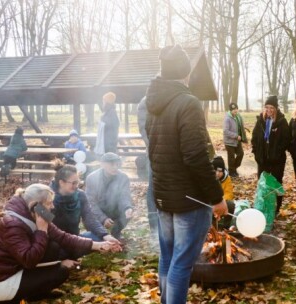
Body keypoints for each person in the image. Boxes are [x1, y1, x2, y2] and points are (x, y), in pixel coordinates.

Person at [145, 44, 227, 304]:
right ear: (184, 73)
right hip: (189, 200)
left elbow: (155, 150)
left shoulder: (152, 104)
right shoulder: (187, 102)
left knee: (168, 257)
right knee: (181, 264)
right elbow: (194, 156)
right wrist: (216, 197)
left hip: (163, 196)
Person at [0, 184, 119, 304]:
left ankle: (35, 294)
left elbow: (63, 237)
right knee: (60, 271)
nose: (52, 206)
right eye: (49, 203)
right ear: (36, 205)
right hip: (0, 281)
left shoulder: (38, 213)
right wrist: (41, 231)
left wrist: (97, 245)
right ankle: (14, 297)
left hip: (16, 267)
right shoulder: (13, 224)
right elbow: (29, 260)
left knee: (53, 247)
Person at [50, 160, 120, 247]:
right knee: (54, 246)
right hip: (55, 239)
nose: (76, 186)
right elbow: (47, 229)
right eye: (73, 183)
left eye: (78, 182)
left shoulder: (80, 195)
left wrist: (105, 235)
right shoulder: (47, 197)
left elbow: (89, 218)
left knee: (99, 237)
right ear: (61, 182)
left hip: (75, 238)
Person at [251, 95, 290, 214]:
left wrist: (277, 153)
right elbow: (254, 138)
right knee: (262, 183)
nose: (269, 110)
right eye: (266, 107)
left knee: (276, 183)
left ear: (276, 108)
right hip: (262, 160)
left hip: (277, 160)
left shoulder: (281, 122)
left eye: (271, 107)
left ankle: (276, 209)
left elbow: (286, 140)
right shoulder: (260, 121)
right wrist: (256, 153)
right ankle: (262, 207)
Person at [85, 152, 133, 240]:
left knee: (127, 211)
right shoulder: (92, 178)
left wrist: (127, 208)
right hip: (98, 211)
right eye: (111, 164)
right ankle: (98, 232)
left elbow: (124, 196)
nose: (115, 167)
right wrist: (103, 218)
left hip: (114, 209)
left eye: (117, 164)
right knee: (90, 217)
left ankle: (116, 231)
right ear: (102, 165)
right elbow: (90, 203)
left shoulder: (123, 177)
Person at [137, 96, 159, 249]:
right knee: (153, 189)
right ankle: (154, 230)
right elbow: (144, 130)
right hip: (154, 154)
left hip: (171, 156)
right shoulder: (146, 101)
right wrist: (155, 148)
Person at [223, 102, 247, 178]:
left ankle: (233, 169)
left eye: (236, 109)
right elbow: (225, 131)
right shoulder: (227, 119)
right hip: (229, 142)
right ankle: (232, 172)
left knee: (241, 154)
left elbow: (241, 127)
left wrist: (243, 136)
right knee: (231, 158)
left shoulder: (238, 117)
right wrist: (236, 136)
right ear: (230, 110)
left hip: (237, 141)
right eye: (233, 109)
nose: (235, 110)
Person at [212, 155, 236, 229]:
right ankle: (212, 227)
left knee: (231, 204)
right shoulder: (208, 178)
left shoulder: (227, 179)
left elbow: (229, 194)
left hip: (221, 202)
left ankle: (225, 227)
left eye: (220, 171)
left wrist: (221, 201)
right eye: (215, 171)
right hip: (209, 204)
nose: (218, 173)